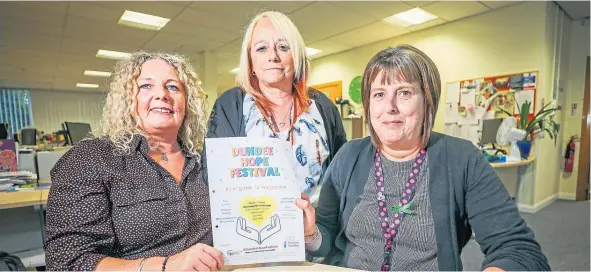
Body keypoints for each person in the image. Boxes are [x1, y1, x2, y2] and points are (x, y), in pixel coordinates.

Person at [295, 45, 550, 271]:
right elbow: (325, 241)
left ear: (427, 101)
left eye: (404, 93)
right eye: (379, 94)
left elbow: (519, 250)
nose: (390, 106)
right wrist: (311, 233)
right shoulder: (348, 156)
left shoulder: (461, 158)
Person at [44, 52, 224, 271]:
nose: (162, 94)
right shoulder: (91, 158)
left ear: (187, 102)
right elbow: (67, 260)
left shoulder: (205, 160)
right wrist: (166, 266)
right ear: (128, 99)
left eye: (173, 87)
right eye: (146, 86)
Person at [206, 11, 347, 201]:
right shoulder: (230, 106)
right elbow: (214, 175)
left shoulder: (322, 106)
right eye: (261, 48)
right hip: (254, 224)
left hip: (318, 228)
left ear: (296, 56)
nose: (273, 56)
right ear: (250, 61)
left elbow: (341, 174)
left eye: (283, 47)